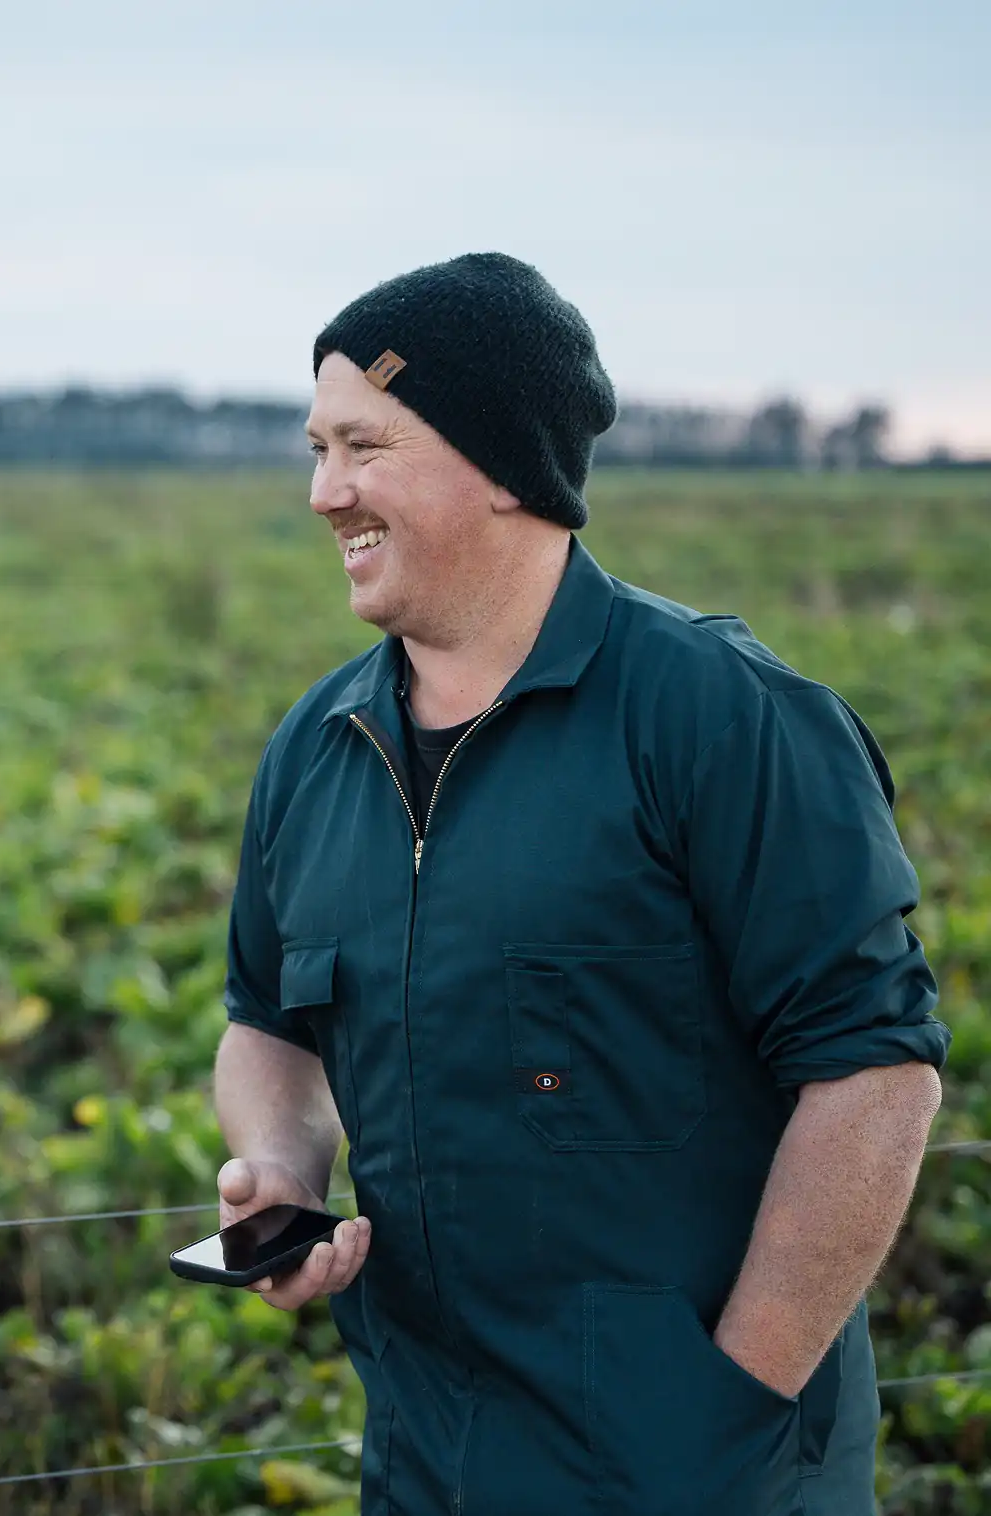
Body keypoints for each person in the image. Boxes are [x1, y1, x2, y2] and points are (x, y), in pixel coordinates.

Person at [211, 252, 950, 1516]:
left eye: (364, 445)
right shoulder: (317, 747)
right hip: (426, 1459)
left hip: (713, 1470)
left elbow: (874, 1078)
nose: (326, 493)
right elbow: (266, 1021)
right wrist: (277, 1166)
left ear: (502, 466)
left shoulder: (722, 720)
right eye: (316, 447)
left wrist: (727, 1410)